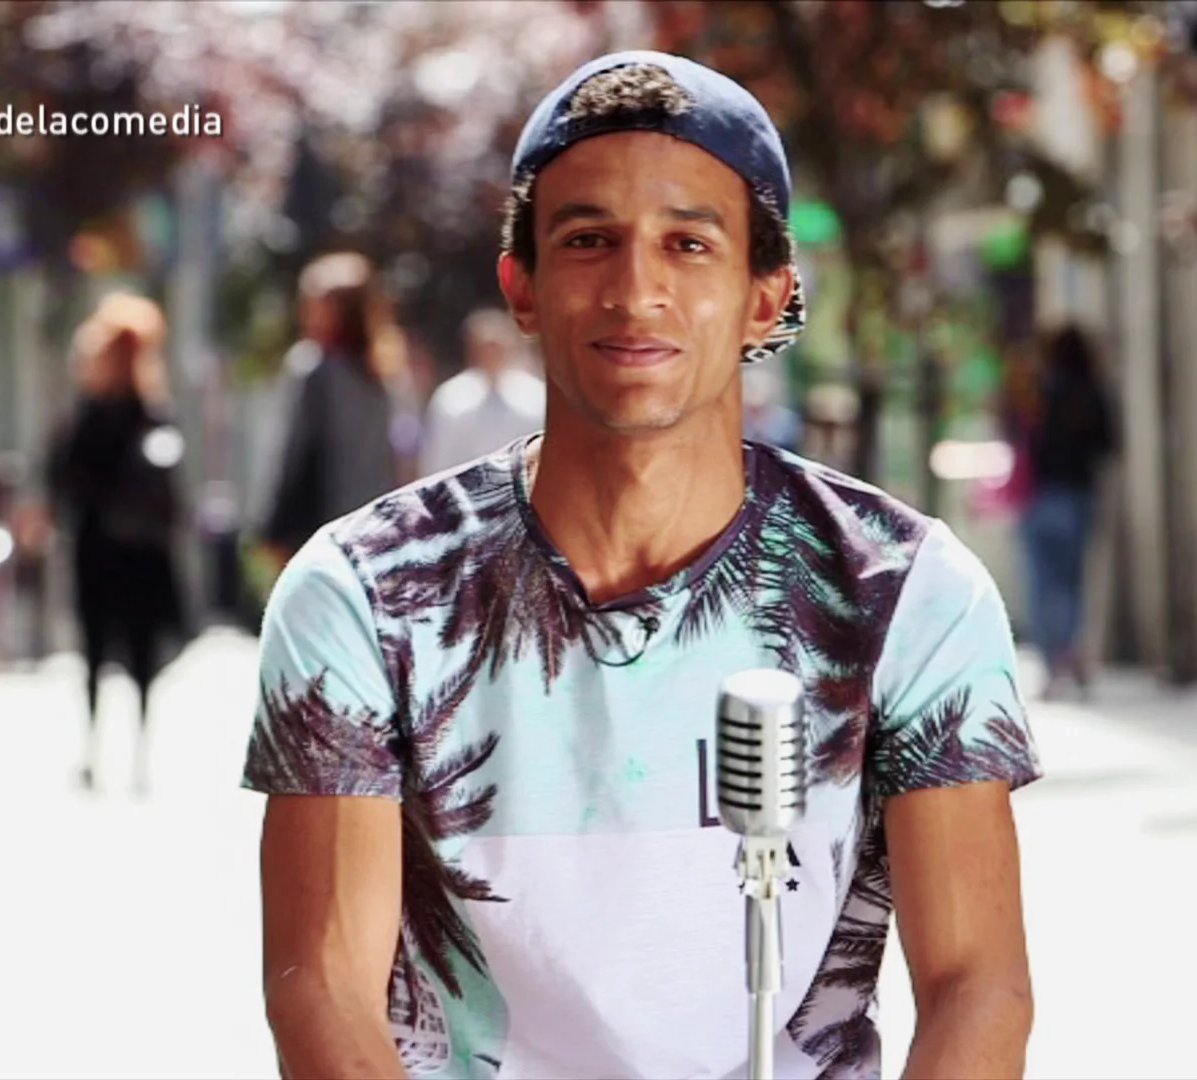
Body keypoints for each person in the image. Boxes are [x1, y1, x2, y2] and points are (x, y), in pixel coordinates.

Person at [246, 52, 1040, 1080]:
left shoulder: (906, 593)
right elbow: (319, 987)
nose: (635, 289)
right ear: (521, 287)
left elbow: (980, 984)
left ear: (767, 298)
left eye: (687, 243)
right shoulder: (363, 597)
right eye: (588, 241)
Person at [45, 293, 187, 795]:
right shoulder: (148, 414)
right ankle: (129, 753)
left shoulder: (112, 414)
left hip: (106, 550)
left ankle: (103, 752)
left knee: (102, 651)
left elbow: (62, 481)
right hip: (134, 553)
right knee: (131, 654)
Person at [258, 253, 405, 571]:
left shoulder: (313, 366)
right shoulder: (383, 371)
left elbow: (293, 453)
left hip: (319, 530)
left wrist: (273, 528)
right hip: (374, 529)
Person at [1006, 323, 1117, 701]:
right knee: (1071, 584)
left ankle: (1052, 664)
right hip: (1077, 496)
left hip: (1038, 497)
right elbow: (1108, 444)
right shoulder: (1093, 392)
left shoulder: (1039, 391)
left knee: (1041, 584)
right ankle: (1070, 651)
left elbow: (1022, 439)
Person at [416, 308, 546, 476]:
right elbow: (437, 458)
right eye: (485, 348)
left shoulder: (536, 395)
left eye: (496, 347)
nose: (491, 355)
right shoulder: (451, 397)